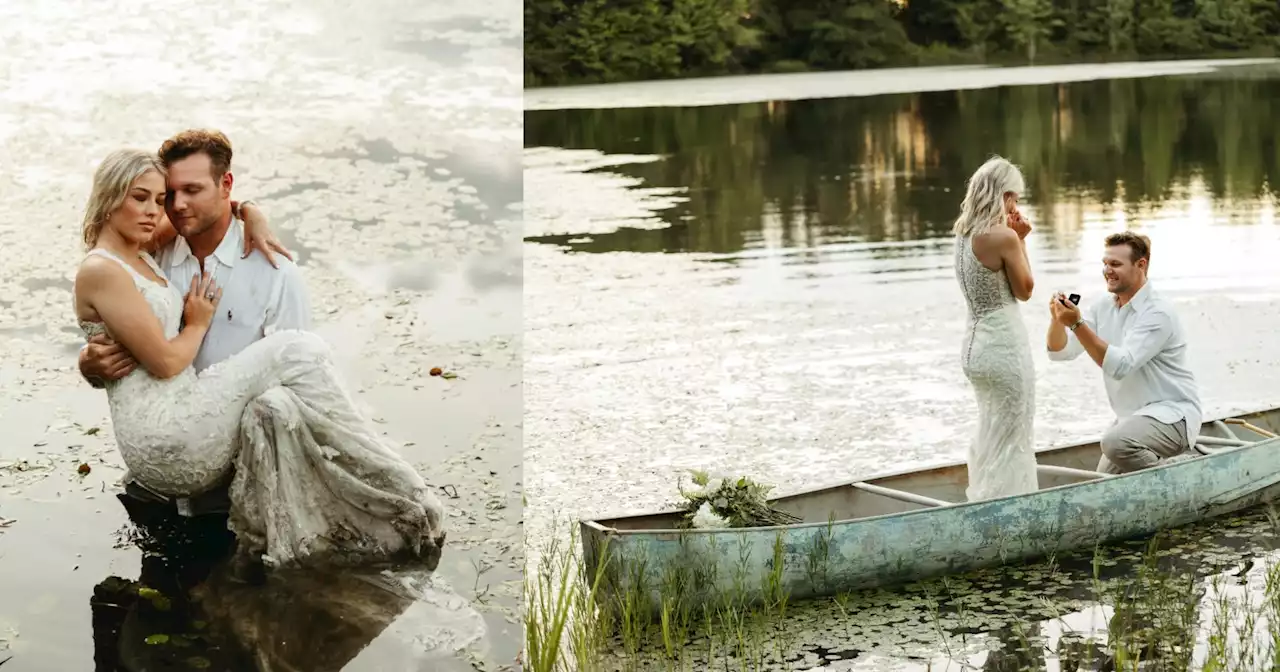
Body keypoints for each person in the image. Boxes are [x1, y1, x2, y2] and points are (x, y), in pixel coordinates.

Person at [71, 138, 445, 571]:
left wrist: (251, 212)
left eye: (179, 194)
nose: (167, 208)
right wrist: (92, 363)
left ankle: (385, 491)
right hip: (164, 460)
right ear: (110, 196)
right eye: (160, 196)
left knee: (295, 366)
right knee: (301, 352)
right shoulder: (155, 250)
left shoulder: (272, 270)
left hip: (231, 468)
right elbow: (139, 346)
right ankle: (399, 485)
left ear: (225, 185)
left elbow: (299, 399)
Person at [1046, 231, 1202, 474]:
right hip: (1131, 422)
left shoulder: (1157, 313)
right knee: (1100, 488)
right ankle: (1162, 473)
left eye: (1116, 264)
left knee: (1114, 443)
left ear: (1141, 265)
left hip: (1173, 418)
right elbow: (1060, 352)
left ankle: (1184, 471)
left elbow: (1120, 366)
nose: (1107, 270)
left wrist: (1077, 324)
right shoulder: (1103, 306)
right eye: (1105, 264)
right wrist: (1058, 320)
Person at [952, 156, 1039, 501]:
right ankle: (1012, 513)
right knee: (1015, 434)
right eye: (1014, 198)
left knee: (991, 429)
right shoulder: (1003, 236)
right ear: (1001, 196)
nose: (1016, 206)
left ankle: (984, 498)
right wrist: (1022, 240)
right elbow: (1025, 290)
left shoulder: (963, 232)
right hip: (1003, 347)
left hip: (974, 349)